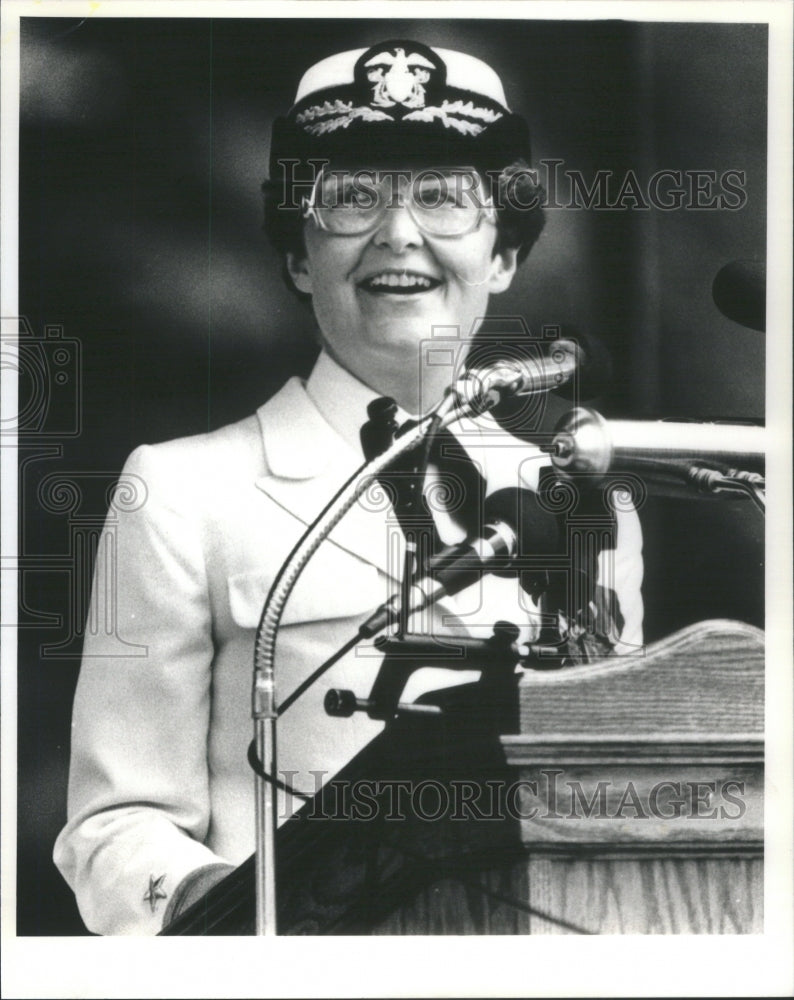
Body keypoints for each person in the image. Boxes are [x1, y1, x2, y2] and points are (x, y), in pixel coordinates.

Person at [53, 39, 643, 935]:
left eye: (444, 199)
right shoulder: (181, 492)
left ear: (503, 257)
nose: (398, 234)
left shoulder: (580, 495)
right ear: (298, 257)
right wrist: (221, 912)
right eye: (353, 198)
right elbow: (116, 827)